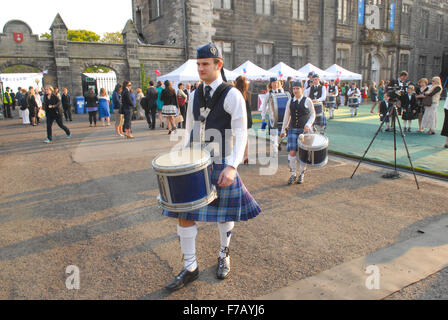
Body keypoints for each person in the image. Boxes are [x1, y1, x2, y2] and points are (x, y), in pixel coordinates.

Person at [163, 43, 261, 292]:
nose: (200, 68)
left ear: (219, 65)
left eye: (205, 64)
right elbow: (189, 130)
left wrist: (232, 166)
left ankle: (223, 254)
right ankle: (190, 266)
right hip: (196, 164)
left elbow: (241, 134)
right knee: (184, 214)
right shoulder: (194, 94)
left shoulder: (232, 94)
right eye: (198, 64)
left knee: (225, 214)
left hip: (221, 162)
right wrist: (179, 158)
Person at [280, 81, 315, 185]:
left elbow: (313, 114)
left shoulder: (307, 100)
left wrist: (308, 124)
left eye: (297, 88)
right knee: (292, 152)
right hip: (292, 129)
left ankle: (302, 174)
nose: (295, 90)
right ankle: (293, 174)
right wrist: (283, 130)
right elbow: (286, 116)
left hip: (304, 131)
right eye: (294, 89)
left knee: (303, 154)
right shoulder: (290, 101)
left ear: (302, 89)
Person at [261, 77, 285, 153]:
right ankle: (275, 148)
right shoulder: (268, 94)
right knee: (273, 133)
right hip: (272, 117)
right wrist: (263, 117)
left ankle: (277, 143)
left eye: (276, 82)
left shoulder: (282, 91)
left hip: (281, 116)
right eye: (273, 82)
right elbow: (264, 106)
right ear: (271, 84)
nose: (275, 84)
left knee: (282, 133)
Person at [235, 76, 252, 165]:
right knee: (245, 138)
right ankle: (245, 156)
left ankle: (237, 156)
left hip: (238, 117)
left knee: (236, 138)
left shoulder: (235, 93)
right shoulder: (248, 93)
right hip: (247, 117)